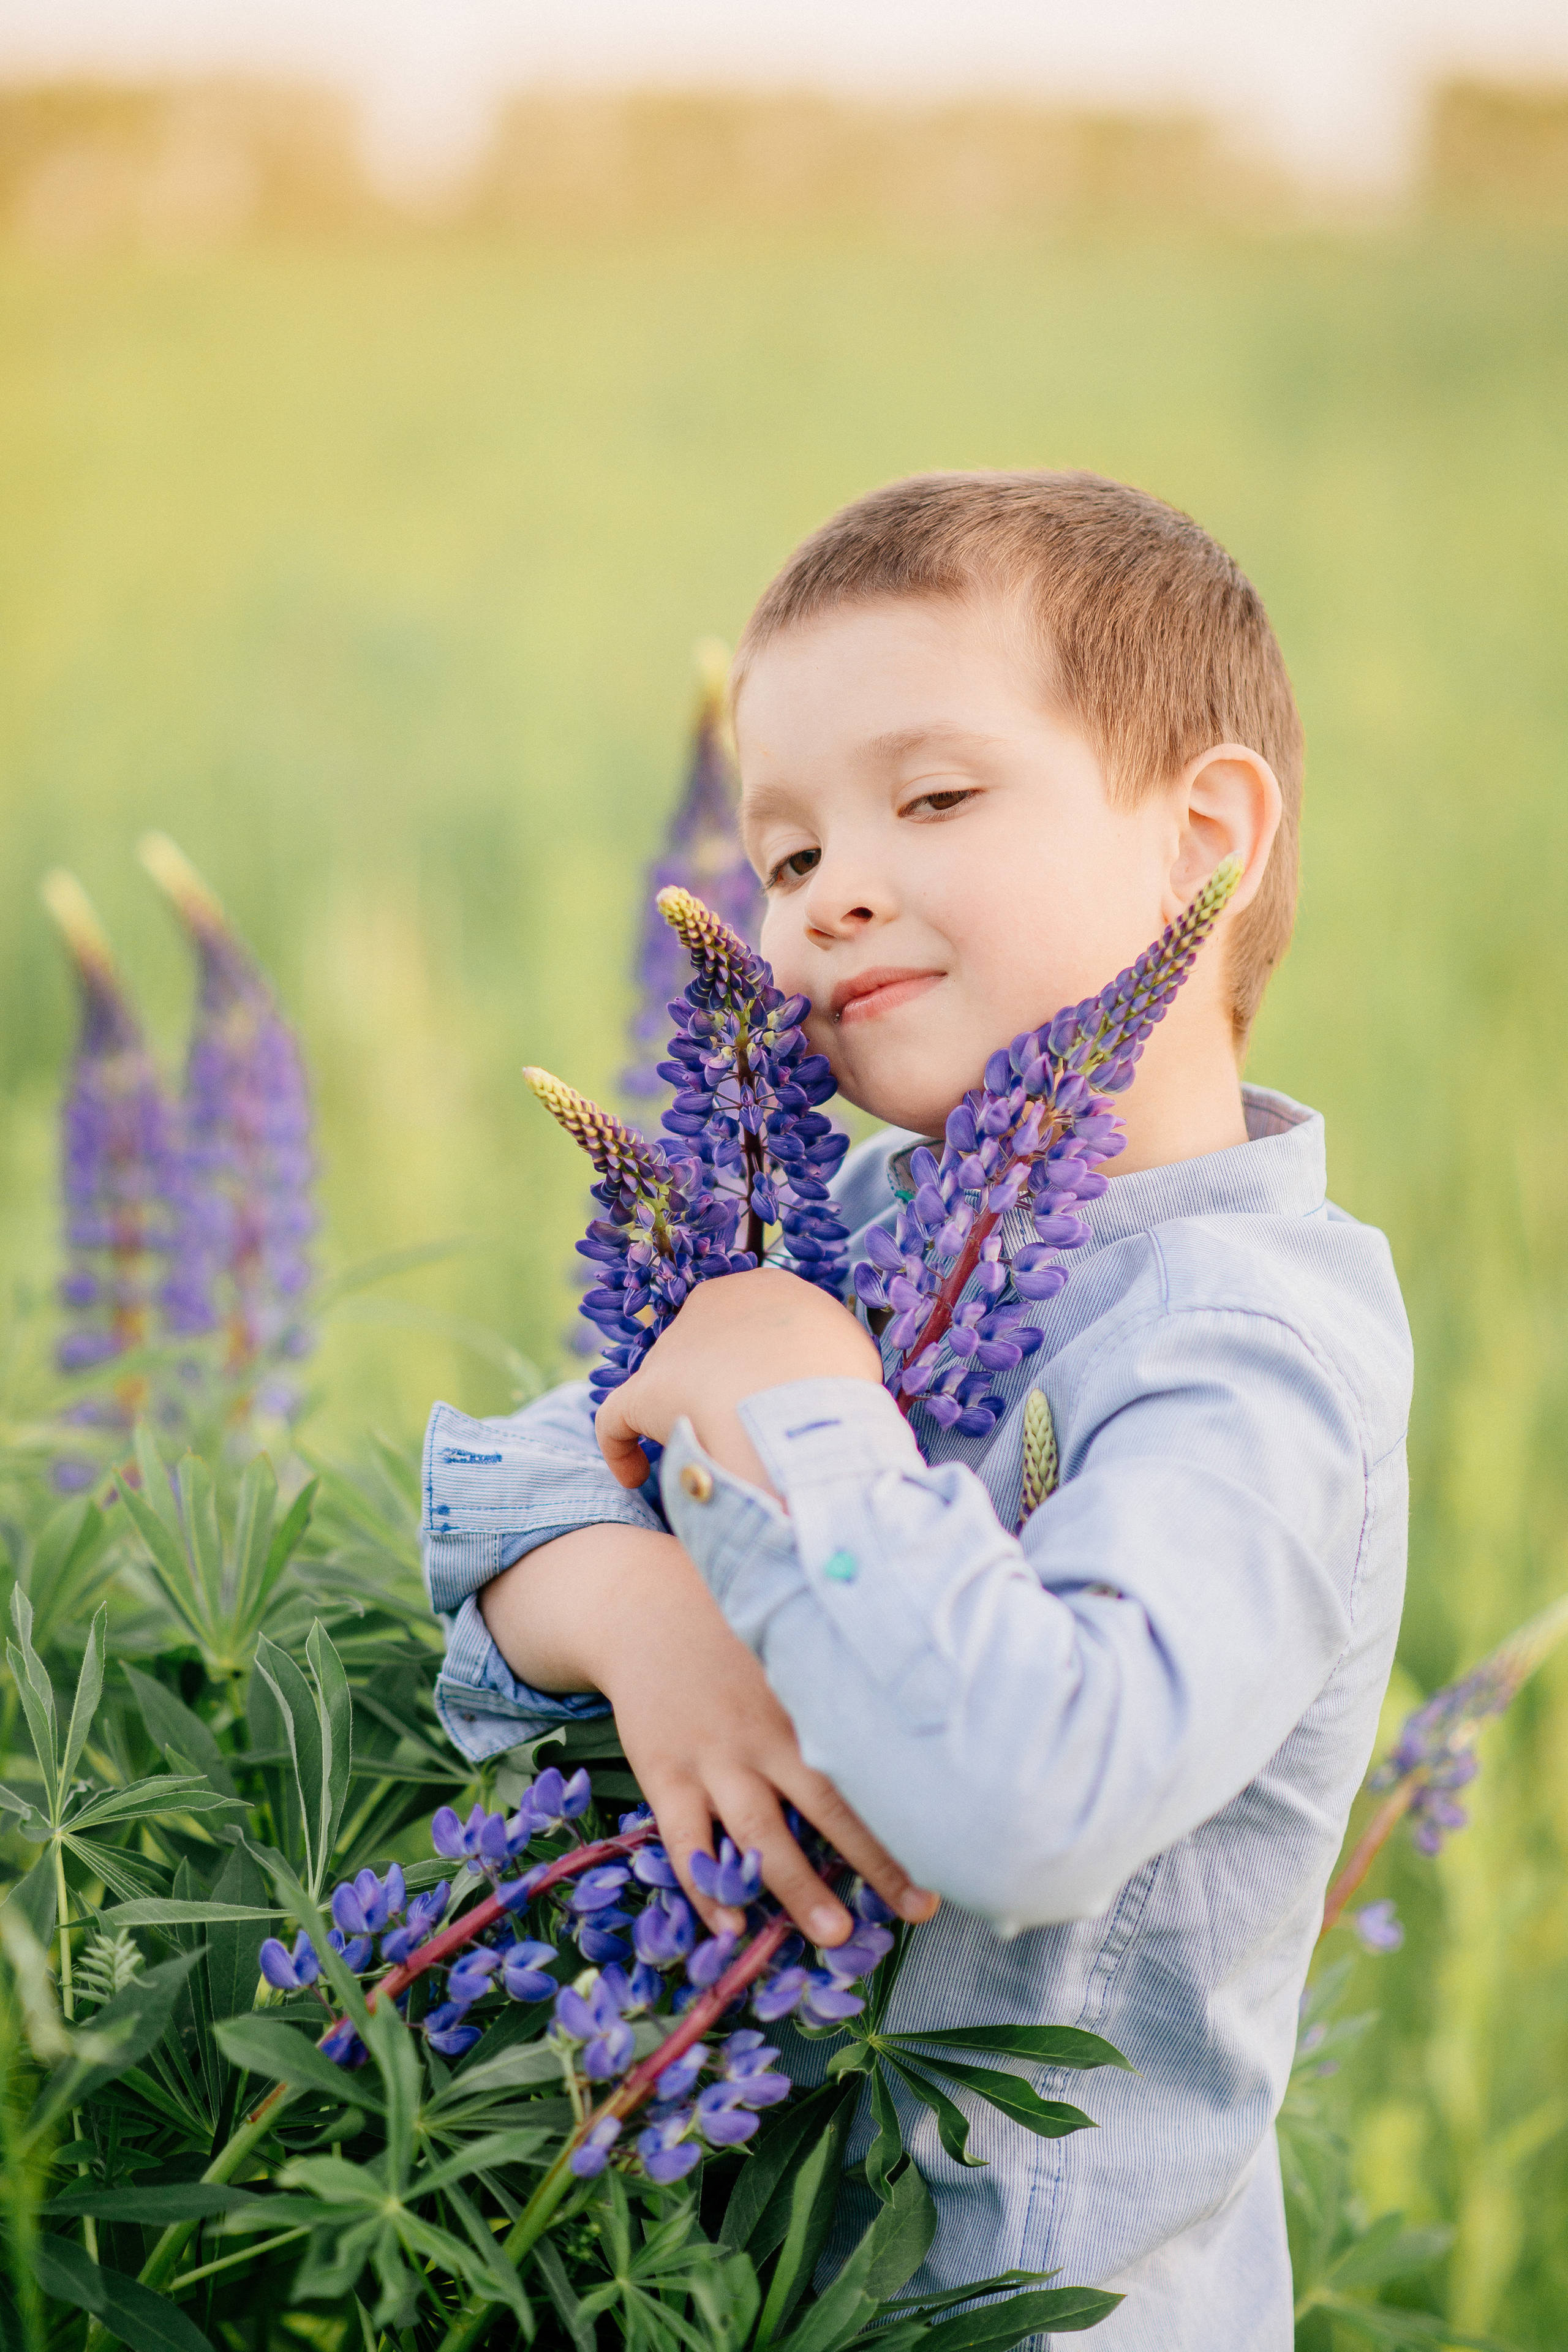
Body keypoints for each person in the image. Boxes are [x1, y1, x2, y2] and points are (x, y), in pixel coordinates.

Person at [421, 471, 1412, 2350]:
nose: (823, 899)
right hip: (747, 2280)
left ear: (1204, 832)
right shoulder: (854, 1239)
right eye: (783, 857)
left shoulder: (1251, 1357)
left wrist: (799, 1415)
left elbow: (1030, 1805)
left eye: (933, 797)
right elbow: (486, 1490)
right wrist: (644, 1622)